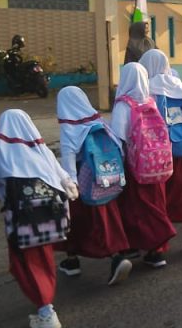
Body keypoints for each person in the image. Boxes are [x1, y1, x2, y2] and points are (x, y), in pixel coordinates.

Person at [0, 109, 77, 328]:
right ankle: (45, 306)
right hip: (50, 223)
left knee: (25, 265)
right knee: (44, 261)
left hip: (21, 224)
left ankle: (46, 311)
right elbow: (63, 177)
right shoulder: (42, 150)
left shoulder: (2, 154)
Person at [55, 86, 134, 285]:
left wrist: (71, 186)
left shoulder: (70, 129)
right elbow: (118, 148)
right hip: (108, 181)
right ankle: (74, 260)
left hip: (86, 187)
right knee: (108, 220)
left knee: (82, 223)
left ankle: (113, 258)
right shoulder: (99, 122)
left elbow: (68, 161)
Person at [140, 48, 182, 253]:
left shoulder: (149, 89)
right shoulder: (180, 86)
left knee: (161, 196)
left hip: (164, 153)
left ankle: (158, 248)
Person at [111, 62, 177, 267]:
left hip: (136, 165)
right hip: (157, 164)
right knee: (155, 204)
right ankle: (153, 248)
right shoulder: (150, 101)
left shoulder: (124, 105)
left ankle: (155, 246)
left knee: (137, 207)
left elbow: (118, 137)